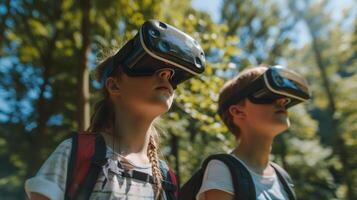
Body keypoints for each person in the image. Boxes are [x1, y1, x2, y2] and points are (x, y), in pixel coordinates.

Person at [25, 19, 205, 200]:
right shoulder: (75, 153)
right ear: (114, 86)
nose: (166, 74)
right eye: (150, 65)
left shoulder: (167, 179)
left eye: (173, 74)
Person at [196, 66, 310, 200]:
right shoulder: (223, 169)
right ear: (238, 112)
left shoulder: (282, 177)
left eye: (284, 96)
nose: (283, 101)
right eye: (269, 94)